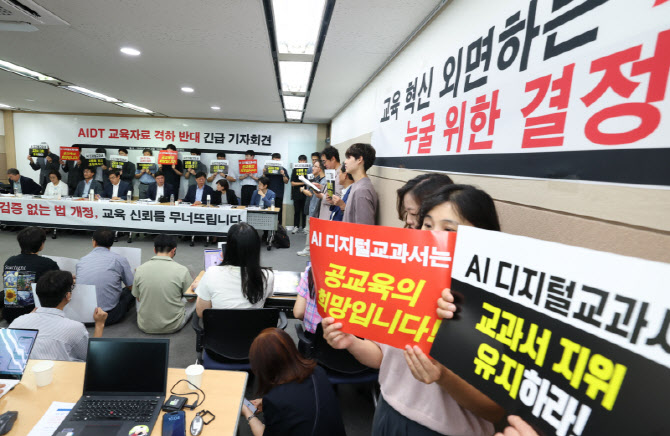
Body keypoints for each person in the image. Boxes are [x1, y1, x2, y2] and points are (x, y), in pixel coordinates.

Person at [322, 184, 504, 436]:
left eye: (448, 230)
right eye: (427, 225)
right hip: (387, 414)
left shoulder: (493, 308)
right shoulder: (404, 287)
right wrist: (350, 342)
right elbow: (382, 357)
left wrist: (443, 376)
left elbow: (494, 410)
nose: (432, 236)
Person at [241, 328, 346, 436]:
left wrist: (248, 413)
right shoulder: (318, 372)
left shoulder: (276, 400)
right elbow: (303, 400)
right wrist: (265, 402)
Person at [9, 270, 107, 361]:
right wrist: (99, 325)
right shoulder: (75, 328)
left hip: (26, 372)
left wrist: (25, 319)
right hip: (62, 372)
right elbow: (91, 357)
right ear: (68, 296)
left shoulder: (17, 322)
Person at [193, 223, 274, 315]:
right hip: (255, 324)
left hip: (221, 324)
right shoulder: (267, 276)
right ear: (256, 249)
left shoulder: (211, 273)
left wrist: (201, 288)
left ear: (228, 248)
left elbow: (201, 312)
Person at [132, 235, 195, 334]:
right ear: (174, 250)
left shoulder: (140, 269)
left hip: (144, 325)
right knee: (195, 296)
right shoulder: (182, 270)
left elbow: (139, 299)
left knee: (139, 294)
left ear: (154, 250)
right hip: (173, 325)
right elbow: (190, 299)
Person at [76, 228, 134, 326]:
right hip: (108, 316)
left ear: (94, 242)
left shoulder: (82, 260)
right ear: (111, 243)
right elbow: (131, 286)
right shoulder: (119, 259)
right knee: (130, 292)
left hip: (83, 316)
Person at [2, 227, 60, 323]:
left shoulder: (10, 261)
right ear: (41, 244)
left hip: (9, 315)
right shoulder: (47, 263)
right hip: (33, 316)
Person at [342, 143, 378, 225]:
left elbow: (364, 228)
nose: (345, 162)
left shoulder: (362, 190)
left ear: (359, 159)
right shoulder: (357, 185)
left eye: (349, 157)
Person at [296, 161, 325, 257]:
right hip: (311, 207)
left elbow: (311, 194)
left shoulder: (323, 181)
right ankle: (309, 249)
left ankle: (308, 249)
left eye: (315, 166)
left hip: (315, 210)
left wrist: (302, 190)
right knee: (309, 230)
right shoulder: (317, 179)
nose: (313, 168)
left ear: (320, 169)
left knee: (310, 230)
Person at [292, 263, 321, 335]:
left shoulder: (311, 270)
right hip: (345, 339)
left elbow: (298, 313)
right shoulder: (349, 279)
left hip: (313, 338)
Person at [317, 146, 343, 221]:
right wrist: (321, 187)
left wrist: (322, 196)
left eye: (324, 161)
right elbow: (331, 189)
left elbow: (338, 197)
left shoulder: (341, 174)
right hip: (325, 213)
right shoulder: (332, 172)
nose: (324, 165)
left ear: (333, 159)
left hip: (331, 215)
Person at [262, 153, 288, 223]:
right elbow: (263, 181)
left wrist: (283, 174)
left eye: (277, 160)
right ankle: (267, 228)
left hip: (279, 194)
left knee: (279, 212)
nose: (276, 161)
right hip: (269, 194)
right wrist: (264, 173)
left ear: (280, 160)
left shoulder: (283, 169)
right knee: (268, 212)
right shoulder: (268, 169)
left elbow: (286, 181)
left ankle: (279, 228)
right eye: (274, 160)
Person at [289, 155, 308, 234]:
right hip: (296, 193)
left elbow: (310, 182)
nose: (302, 162)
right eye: (301, 160)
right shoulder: (295, 169)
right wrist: (303, 182)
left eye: (304, 160)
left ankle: (304, 227)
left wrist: (305, 181)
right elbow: (292, 183)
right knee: (296, 211)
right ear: (298, 161)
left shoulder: (308, 170)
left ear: (306, 161)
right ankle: (296, 226)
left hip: (306, 193)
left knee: (304, 212)